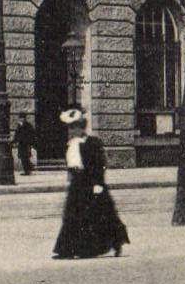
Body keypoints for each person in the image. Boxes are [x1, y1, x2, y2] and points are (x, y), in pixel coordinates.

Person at [52, 109, 129, 259]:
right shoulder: (71, 145)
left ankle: (113, 243)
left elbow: (100, 164)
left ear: (81, 127)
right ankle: (67, 249)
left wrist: (98, 183)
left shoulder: (93, 143)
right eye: (69, 127)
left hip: (90, 183)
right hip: (77, 184)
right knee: (71, 216)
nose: (70, 131)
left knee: (100, 216)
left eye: (73, 127)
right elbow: (72, 164)